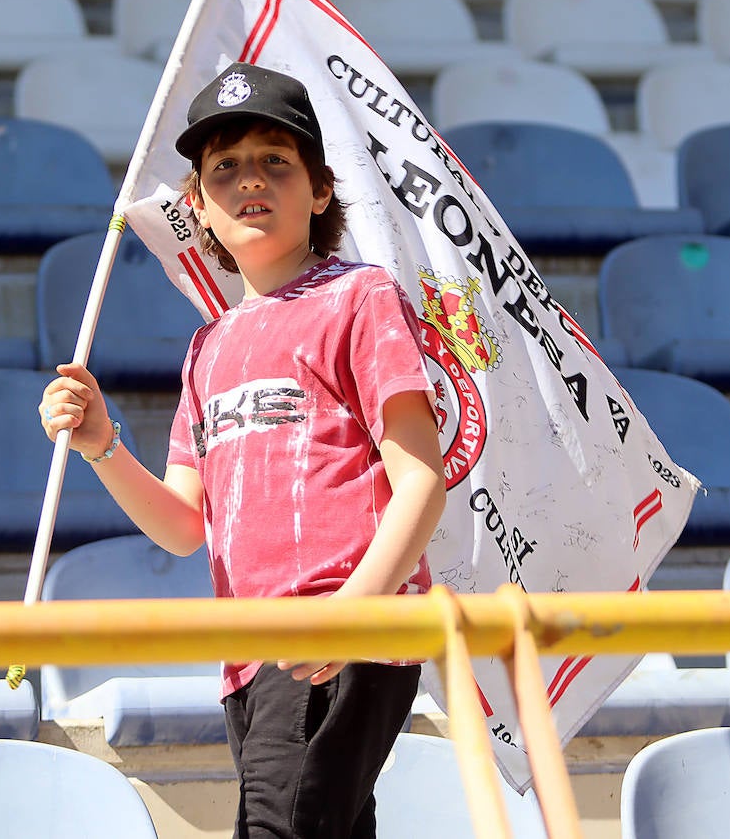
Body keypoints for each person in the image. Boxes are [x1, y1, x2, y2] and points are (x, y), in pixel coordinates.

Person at [38, 61, 446, 839]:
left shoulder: (358, 297)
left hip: (338, 629)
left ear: (320, 190)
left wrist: (352, 613)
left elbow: (420, 479)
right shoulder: (207, 346)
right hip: (252, 655)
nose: (249, 180)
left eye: (274, 161)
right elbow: (184, 524)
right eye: (223, 167)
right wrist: (101, 445)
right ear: (197, 202)